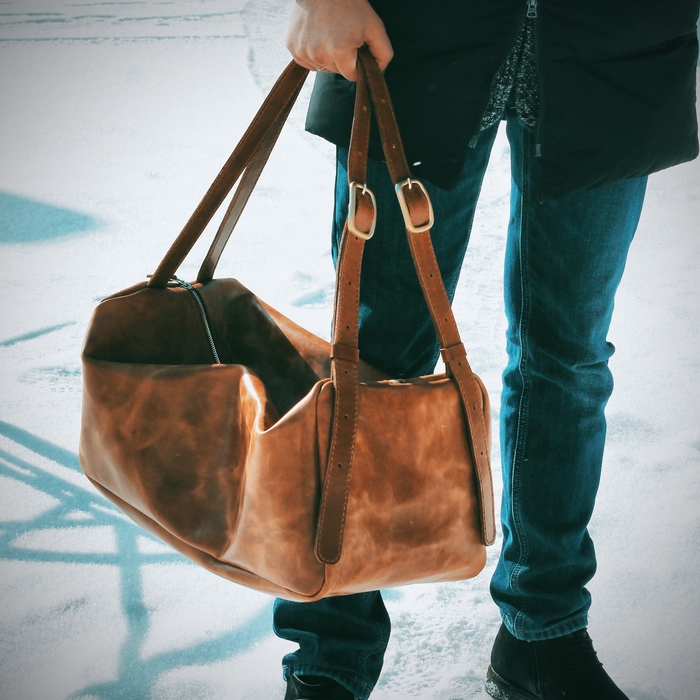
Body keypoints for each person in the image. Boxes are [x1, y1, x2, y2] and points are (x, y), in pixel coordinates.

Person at [273, 1, 700, 699]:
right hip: (412, 32)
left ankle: (544, 638)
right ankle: (329, 658)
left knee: (569, 361)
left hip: (618, 39)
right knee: (372, 358)